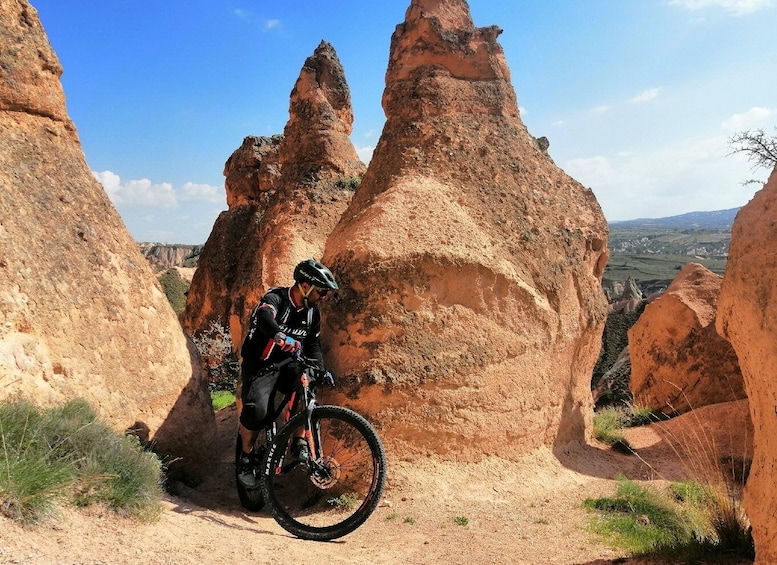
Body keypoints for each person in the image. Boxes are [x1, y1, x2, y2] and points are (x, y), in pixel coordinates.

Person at [236, 259, 339, 488]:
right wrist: (279, 336)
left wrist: (320, 370)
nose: (323, 297)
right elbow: (264, 316)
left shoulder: (312, 314)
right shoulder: (277, 299)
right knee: (257, 411)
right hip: (260, 364)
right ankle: (245, 458)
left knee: (308, 379)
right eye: (321, 291)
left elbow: (313, 345)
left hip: (287, 365)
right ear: (305, 286)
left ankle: (299, 440)